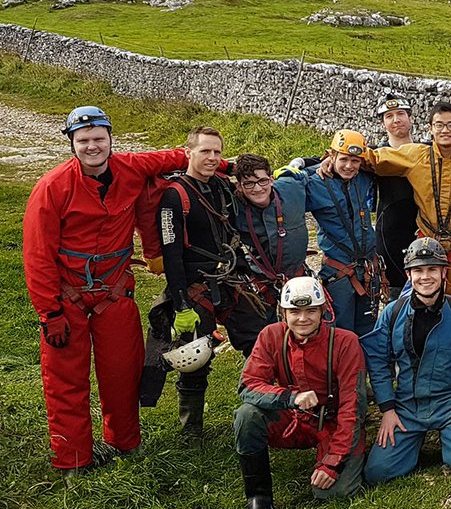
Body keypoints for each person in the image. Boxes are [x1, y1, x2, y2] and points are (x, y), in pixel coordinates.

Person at [23, 106, 192, 474]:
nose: (92, 146)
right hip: (66, 299)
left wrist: (223, 165)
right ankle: (73, 460)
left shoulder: (130, 167)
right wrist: (49, 313)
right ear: (72, 144)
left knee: (122, 373)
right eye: (83, 140)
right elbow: (37, 256)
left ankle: (124, 443)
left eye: (99, 138)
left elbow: (180, 157)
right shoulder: (52, 188)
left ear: (111, 140)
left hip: (114, 295)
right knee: (66, 381)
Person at [158, 126, 271, 441]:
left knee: (261, 338)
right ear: (189, 151)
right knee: (193, 357)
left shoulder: (222, 187)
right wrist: (180, 304)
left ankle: (263, 409)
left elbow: (232, 236)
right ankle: (190, 430)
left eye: (217, 152)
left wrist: (250, 275)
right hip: (194, 286)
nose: (211, 157)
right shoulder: (173, 196)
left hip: (231, 279)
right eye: (205, 151)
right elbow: (171, 255)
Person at [233, 276, 367, 509]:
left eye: (310, 311)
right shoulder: (271, 336)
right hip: (292, 419)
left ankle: (349, 461)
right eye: (294, 312)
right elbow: (248, 384)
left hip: (333, 423)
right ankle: (258, 499)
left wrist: (333, 462)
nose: (302, 319)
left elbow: (353, 407)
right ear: (283, 313)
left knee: (332, 493)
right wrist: (291, 398)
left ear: (323, 312)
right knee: (246, 415)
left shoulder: (346, 342)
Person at [362, 238, 451, 482]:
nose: (425, 276)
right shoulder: (392, 313)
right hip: (407, 405)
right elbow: (377, 362)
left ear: (443, 273)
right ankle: (411, 443)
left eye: (432, 269)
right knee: (378, 473)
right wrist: (387, 409)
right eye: (418, 270)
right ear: (409, 274)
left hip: (450, 402)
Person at [369, 103, 451, 306]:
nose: (445, 130)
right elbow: (373, 158)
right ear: (430, 128)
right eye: (439, 125)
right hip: (425, 249)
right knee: (420, 307)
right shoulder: (416, 155)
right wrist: (333, 157)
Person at [283, 130, 384, 335]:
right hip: (338, 273)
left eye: (355, 160)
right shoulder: (314, 183)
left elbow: (389, 154)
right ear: (332, 156)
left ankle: (367, 367)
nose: (349, 166)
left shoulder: (363, 177)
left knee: (369, 330)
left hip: (367, 270)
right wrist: (301, 163)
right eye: (344, 159)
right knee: (340, 333)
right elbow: (283, 192)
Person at [231, 153, 311, 311]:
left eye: (262, 181)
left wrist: (301, 160)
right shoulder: (233, 206)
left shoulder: (291, 186)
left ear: (272, 179)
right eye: (249, 184)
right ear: (239, 186)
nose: (257, 188)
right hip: (261, 286)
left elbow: (323, 168)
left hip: (298, 277)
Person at [373, 94, 419, 298]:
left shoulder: (427, 150)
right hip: (390, 234)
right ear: (383, 123)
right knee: (395, 298)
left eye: (400, 114)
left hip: (423, 228)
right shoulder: (374, 155)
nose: (396, 119)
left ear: (410, 118)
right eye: (389, 116)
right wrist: (303, 163)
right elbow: (342, 159)